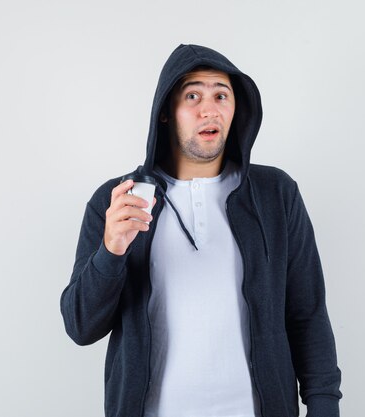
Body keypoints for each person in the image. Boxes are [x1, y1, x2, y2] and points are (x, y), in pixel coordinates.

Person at [60, 44, 342, 417]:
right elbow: (81, 326)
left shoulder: (276, 194)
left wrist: (324, 406)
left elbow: (307, 313)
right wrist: (110, 252)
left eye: (221, 95)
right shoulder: (119, 201)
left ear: (235, 108)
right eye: (192, 95)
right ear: (166, 112)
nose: (209, 109)